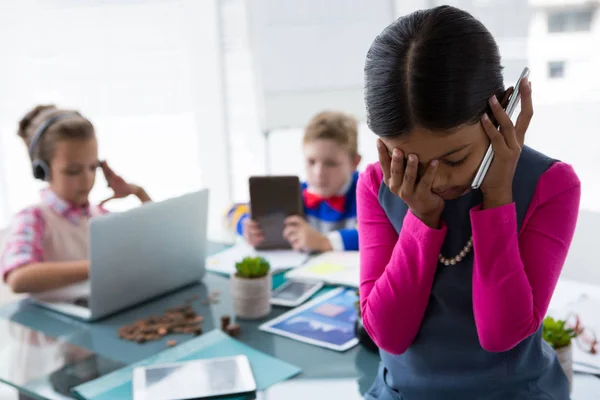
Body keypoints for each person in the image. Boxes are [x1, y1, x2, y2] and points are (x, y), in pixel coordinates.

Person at [358, 6, 579, 400]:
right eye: (409, 162)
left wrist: (497, 199)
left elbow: (502, 334)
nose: (437, 180)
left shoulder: (552, 186)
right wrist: (421, 218)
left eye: (456, 159)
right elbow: (387, 334)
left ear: (501, 116)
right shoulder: (377, 184)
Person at [1, 105, 152, 296]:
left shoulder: (100, 216)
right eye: (73, 171)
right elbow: (19, 278)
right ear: (42, 171)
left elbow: (155, 244)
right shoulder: (34, 218)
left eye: (92, 167)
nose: (86, 179)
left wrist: (138, 193)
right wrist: (98, 267)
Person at [228, 110, 361, 252]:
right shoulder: (296, 192)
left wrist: (324, 242)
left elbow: (378, 232)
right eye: (311, 162)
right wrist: (245, 226)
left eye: (330, 163)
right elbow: (232, 210)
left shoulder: (367, 190)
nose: (318, 172)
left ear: (354, 162)